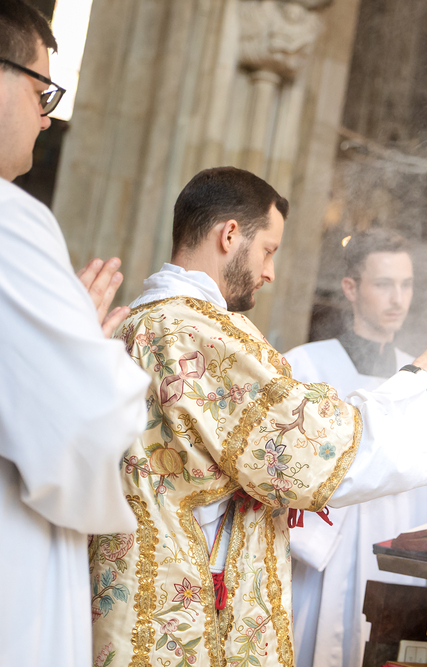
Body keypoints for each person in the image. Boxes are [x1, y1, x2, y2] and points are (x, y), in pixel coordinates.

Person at [89, 167, 427, 667]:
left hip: (137, 584)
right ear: (229, 235)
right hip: (181, 609)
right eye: (268, 250)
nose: (270, 272)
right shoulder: (198, 332)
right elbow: (315, 454)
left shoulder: (139, 319)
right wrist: (418, 379)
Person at [0, 3, 153, 666]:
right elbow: (86, 422)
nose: (46, 117)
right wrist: (92, 355)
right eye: (42, 91)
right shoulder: (9, 220)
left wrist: (63, 339)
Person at [283, 229, 427, 667]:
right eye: (384, 284)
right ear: (351, 288)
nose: (398, 299)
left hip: (394, 560)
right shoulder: (306, 366)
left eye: (406, 285)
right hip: (321, 562)